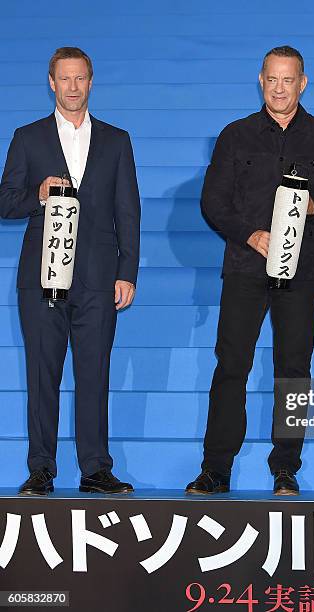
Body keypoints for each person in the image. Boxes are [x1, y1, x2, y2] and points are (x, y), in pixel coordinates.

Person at [186, 45, 314, 496]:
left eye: (289, 79)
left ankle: (286, 468)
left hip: (302, 273)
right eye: (272, 79)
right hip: (245, 266)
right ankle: (216, 469)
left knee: (294, 369)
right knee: (231, 366)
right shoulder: (235, 135)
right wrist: (250, 234)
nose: (280, 88)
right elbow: (213, 202)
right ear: (261, 81)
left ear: (303, 82)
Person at [0, 47, 141, 495]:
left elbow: (129, 213)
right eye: (65, 79)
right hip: (42, 279)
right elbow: (5, 202)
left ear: (91, 81)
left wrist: (128, 271)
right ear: (51, 82)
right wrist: (38, 194)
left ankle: (95, 469)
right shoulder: (28, 137)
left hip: (100, 278)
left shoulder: (117, 140)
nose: (73, 87)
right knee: (43, 373)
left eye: (80, 78)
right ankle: (41, 468)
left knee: (94, 372)